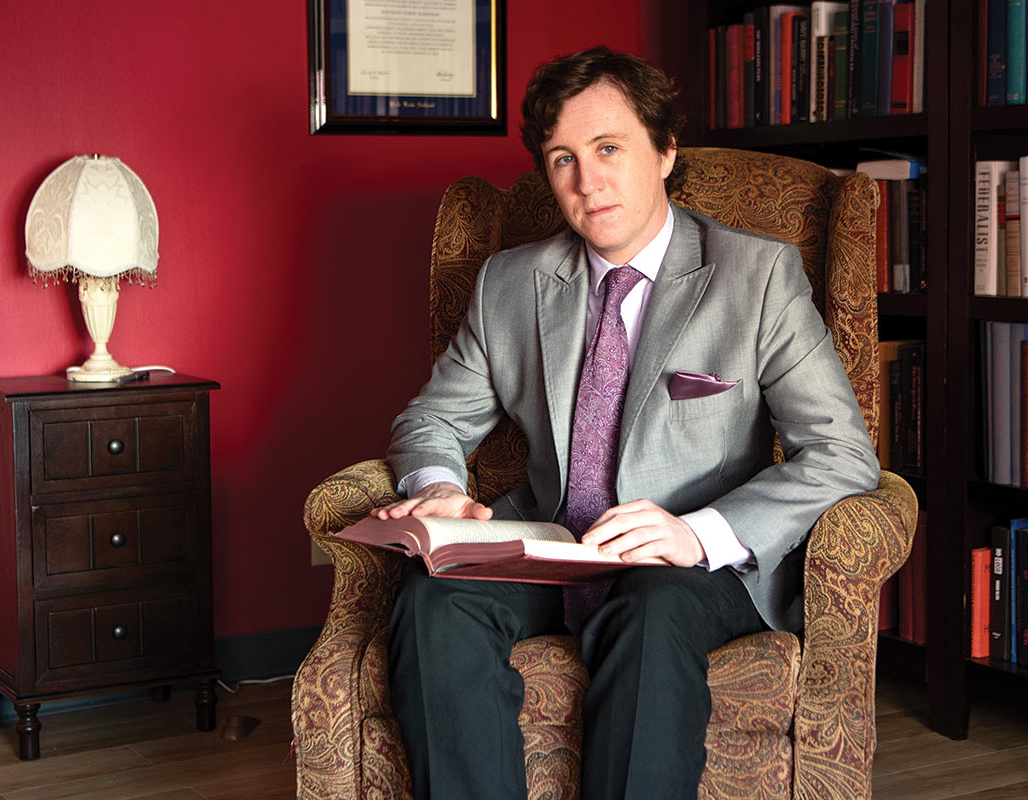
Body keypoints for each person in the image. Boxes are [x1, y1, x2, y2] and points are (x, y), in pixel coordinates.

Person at [372, 46, 879, 800]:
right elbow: (432, 418)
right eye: (562, 158)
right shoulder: (510, 283)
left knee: (649, 611)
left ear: (666, 149)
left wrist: (697, 533)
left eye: (609, 148)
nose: (587, 180)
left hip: (686, 564)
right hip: (552, 539)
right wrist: (439, 485)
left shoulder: (758, 275)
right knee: (432, 599)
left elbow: (841, 454)